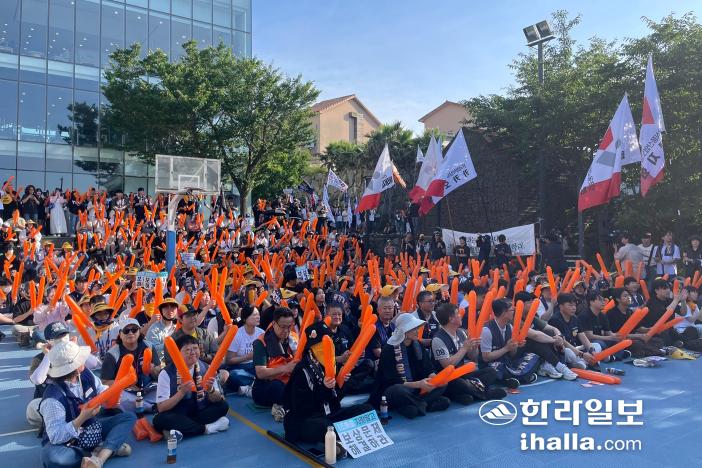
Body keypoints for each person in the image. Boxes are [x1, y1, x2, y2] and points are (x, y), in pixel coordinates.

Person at [39, 340, 136, 468]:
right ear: (75, 367)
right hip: (68, 443)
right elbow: (56, 436)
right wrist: (81, 418)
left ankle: (100, 457)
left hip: (92, 428)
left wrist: (111, 397)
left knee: (128, 417)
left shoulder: (86, 374)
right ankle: (105, 448)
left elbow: (101, 389)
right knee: (55, 459)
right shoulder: (52, 398)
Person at [283, 321, 373, 447]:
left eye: (330, 343)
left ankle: (341, 435)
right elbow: (301, 408)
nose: (329, 348)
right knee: (327, 428)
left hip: (329, 413)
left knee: (367, 411)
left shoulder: (329, 364)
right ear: (313, 348)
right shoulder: (302, 370)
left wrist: (341, 384)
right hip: (306, 419)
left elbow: (335, 401)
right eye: (323, 345)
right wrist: (324, 388)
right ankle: (339, 438)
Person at [369, 313, 450, 419]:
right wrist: (418, 384)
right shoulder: (389, 349)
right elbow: (392, 381)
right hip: (393, 390)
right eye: (413, 328)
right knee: (398, 390)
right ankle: (422, 404)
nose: (417, 331)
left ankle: (414, 405)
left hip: (416, 389)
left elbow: (428, 368)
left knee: (443, 386)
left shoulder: (418, 345)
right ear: (404, 331)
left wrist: (434, 378)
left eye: (417, 328)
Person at [152, 335, 230, 438]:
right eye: (187, 350)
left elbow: (217, 399)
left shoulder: (206, 367)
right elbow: (161, 407)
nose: (192, 352)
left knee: (223, 406)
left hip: (200, 409)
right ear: (177, 353)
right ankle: (208, 428)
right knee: (159, 419)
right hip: (177, 412)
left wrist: (210, 389)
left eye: (195, 348)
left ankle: (181, 428)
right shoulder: (166, 373)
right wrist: (181, 392)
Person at [431, 303, 506, 402]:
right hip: (448, 378)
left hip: (463, 373)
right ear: (451, 319)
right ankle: (485, 394)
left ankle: (465, 394)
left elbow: (473, 357)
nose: (460, 315)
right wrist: (464, 348)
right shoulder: (438, 339)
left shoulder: (461, 333)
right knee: (460, 383)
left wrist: (474, 347)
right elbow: (446, 365)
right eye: (458, 313)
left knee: (491, 371)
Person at [100, 318, 161, 413]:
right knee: (118, 397)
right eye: (126, 331)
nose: (130, 333)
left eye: (134, 330)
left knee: (165, 386)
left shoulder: (149, 346)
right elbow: (105, 382)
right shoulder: (112, 354)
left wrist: (153, 370)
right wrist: (125, 383)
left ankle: (145, 405)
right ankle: (151, 407)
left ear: (139, 332)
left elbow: (159, 372)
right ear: (120, 334)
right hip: (126, 392)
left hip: (148, 387)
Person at [479, 299, 540, 387]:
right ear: (504, 313)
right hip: (491, 364)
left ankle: (513, 378)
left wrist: (515, 346)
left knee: (533, 356)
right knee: (496, 368)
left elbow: (512, 354)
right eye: (512, 310)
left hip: (507, 363)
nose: (514, 312)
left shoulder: (509, 327)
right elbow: (486, 357)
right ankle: (523, 376)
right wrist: (506, 348)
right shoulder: (486, 330)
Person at [252, 307, 297, 421]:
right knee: (278, 387)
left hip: (289, 381)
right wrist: (286, 368)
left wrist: (296, 351)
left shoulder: (293, 338)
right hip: (266, 386)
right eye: (282, 326)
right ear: (273, 323)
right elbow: (261, 373)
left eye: (289, 326)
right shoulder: (261, 342)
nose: (286, 330)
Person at [577, 291, 632, 362]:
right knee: (600, 344)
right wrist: (609, 338)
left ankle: (611, 357)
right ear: (591, 302)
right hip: (588, 342)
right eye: (600, 300)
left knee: (617, 342)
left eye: (603, 300)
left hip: (600, 339)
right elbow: (589, 336)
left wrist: (616, 336)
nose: (603, 302)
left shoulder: (602, 315)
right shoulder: (585, 315)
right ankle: (613, 356)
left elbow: (608, 332)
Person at [225, 305, 263, 397]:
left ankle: (250, 386)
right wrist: (248, 357)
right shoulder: (237, 334)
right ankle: (257, 382)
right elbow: (229, 360)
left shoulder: (261, 333)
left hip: (256, 365)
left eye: (258, 314)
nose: (258, 317)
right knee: (234, 375)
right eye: (254, 315)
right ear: (245, 319)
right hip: (240, 367)